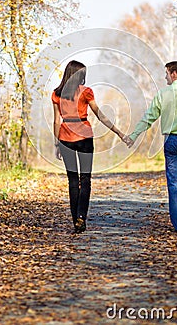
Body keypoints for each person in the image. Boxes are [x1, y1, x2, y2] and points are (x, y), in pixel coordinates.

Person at [124, 61, 177, 233]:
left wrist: (133, 136)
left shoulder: (163, 94)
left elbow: (149, 117)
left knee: (174, 184)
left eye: (167, 73)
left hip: (172, 142)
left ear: (174, 73)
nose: (165, 77)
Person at [52, 60, 125, 233]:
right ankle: (81, 217)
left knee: (72, 180)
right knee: (85, 179)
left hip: (65, 138)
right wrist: (118, 132)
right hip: (84, 137)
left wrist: (57, 143)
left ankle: (75, 219)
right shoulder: (86, 92)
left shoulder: (56, 93)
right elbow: (100, 115)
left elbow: (56, 120)